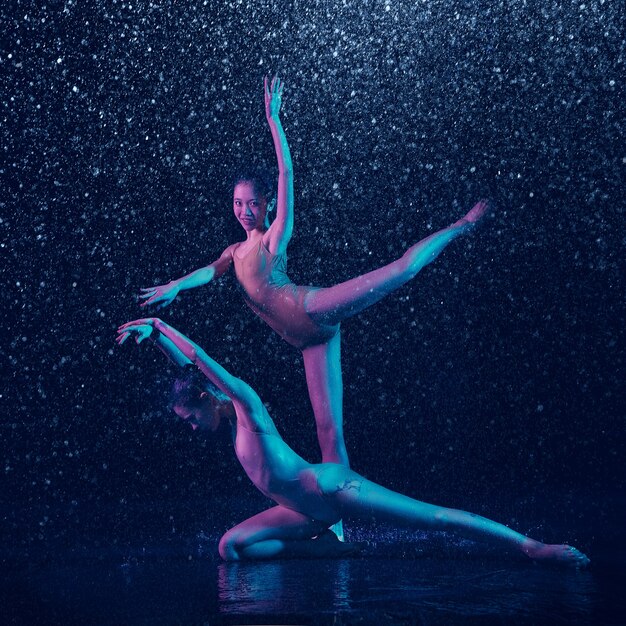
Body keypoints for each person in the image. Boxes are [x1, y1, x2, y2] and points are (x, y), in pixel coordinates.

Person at [138, 76, 488, 473]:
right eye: (237, 203)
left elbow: (286, 174)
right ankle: (336, 526)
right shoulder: (233, 252)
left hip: (313, 310)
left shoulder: (273, 238)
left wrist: (274, 120)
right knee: (329, 435)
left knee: (402, 269)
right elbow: (207, 271)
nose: (244, 210)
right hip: (307, 342)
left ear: (267, 204)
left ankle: (462, 224)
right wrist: (176, 286)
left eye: (252, 203)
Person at [116, 317, 590, 567]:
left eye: (189, 419)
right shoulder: (228, 421)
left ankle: (531, 546)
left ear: (204, 400)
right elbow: (185, 368)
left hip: (332, 490)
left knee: (435, 517)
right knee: (230, 548)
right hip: (303, 512)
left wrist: (158, 325)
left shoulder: (245, 405)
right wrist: (155, 341)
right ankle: (323, 549)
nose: (192, 428)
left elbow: (197, 359)